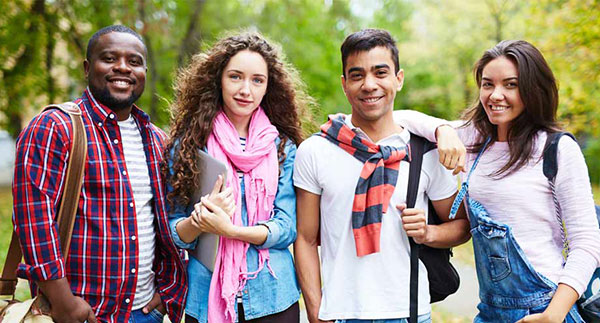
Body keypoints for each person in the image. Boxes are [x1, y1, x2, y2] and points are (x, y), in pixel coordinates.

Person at [394, 40, 600, 322]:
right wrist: (442, 129)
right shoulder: (473, 139)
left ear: (533, 89)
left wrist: (554, 314)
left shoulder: (557, 148)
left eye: (511, 85)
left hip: (546, 306)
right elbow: (399, 118)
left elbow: (588, 243)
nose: (495, 95)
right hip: (490, 309)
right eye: (488, 84)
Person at [293, 28, 470, 323]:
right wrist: (315, 311)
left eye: (380, 72)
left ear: (398, 79)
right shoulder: (315, 150)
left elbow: (462, 226)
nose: (369, 85)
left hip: (409, 313)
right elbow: (306, 239)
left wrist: (429, 233)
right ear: (345, 84)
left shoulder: (424, 151)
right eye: (357, 75)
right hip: (339, 314)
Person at [12, 25, 187, 323]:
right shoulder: (56, 127)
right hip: (81, 314)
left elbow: (164, 223)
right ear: (86, 67)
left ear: (144, 71)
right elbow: (33, 221)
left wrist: (164, 294)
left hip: (146, 312)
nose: (122, 67)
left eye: (134, 62)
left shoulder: (157, 140)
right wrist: (63, 302)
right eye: (109, 58)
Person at [162, 32, 313, 323]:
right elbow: (172, 231)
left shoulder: (282, 147)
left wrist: (230, 231)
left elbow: (286, 228)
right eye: (235, 77)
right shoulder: (189, 145)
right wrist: (197, 222)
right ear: (218, 79)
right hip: (205, 297)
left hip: (273, 297)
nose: (246, 89)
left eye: (257, 80)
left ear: (269, 87)